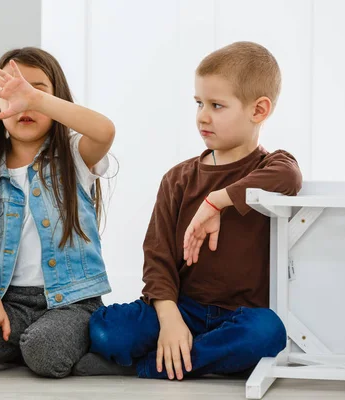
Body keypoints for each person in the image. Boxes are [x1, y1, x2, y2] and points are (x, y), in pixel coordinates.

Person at [81, 41, 302, 380]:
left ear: (258, 110)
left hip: (240, 316)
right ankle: (190, 352)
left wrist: (217, 201)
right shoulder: (178, 179)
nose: (202, 116)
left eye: (216, 105)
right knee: (106, 329)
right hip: (181, 307)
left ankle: (159, 364)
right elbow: (158, 259)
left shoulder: (273, 166)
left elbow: (289, 176)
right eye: (199, 103)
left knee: (268, 332)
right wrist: (169, 319)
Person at [0, 47, 115, 378]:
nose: (24, 101)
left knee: (45, 353)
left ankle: (91, 351)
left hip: (71, 304)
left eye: (35, 91)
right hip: (10, 304)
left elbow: (104, 130)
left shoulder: (75, 157)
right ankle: (23, 344)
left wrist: (36, 100)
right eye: (11, 92)